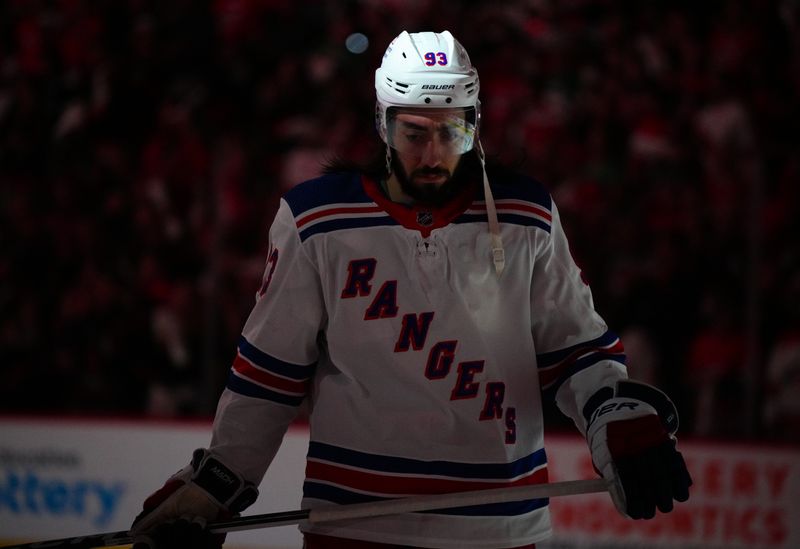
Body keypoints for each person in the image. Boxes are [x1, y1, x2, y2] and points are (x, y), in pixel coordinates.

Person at [130, 30, 691, 549]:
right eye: (414, 133)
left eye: (452, 132)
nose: (432, 154)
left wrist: (611, 414)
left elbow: (576, 350)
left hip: (502, 527)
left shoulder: (526, 214)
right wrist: (220, 479)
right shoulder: (315, 220)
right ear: (383, 123)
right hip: (354, 524)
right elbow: (270, 372)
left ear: (474, 124)